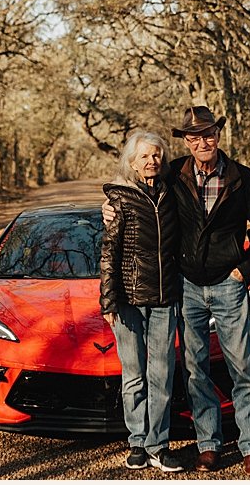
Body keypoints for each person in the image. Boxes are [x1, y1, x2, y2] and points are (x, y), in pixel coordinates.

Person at [103, 105, 250, 477]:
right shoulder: (175, 175)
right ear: (186, 141)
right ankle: (208, 445)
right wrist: (109, 207)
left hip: (228, 287)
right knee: (196, 370)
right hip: (187, 288)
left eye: (208, 133)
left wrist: (242, 272)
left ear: (218, 134)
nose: (202, 141)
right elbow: (136, 197)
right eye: (194, 136)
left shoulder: (244, 179)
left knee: (242, 367)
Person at [99, 130, 186, 473]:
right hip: (129, 302)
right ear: (132, 163)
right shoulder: (120, 200)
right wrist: (108, 301)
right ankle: (137, 442)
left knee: (162, 375)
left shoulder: (173, 193)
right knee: (134, 374)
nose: (153, 161)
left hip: (166, 298)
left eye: (157, 155)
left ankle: (158, 445)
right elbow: (109, 253)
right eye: (145, 156)